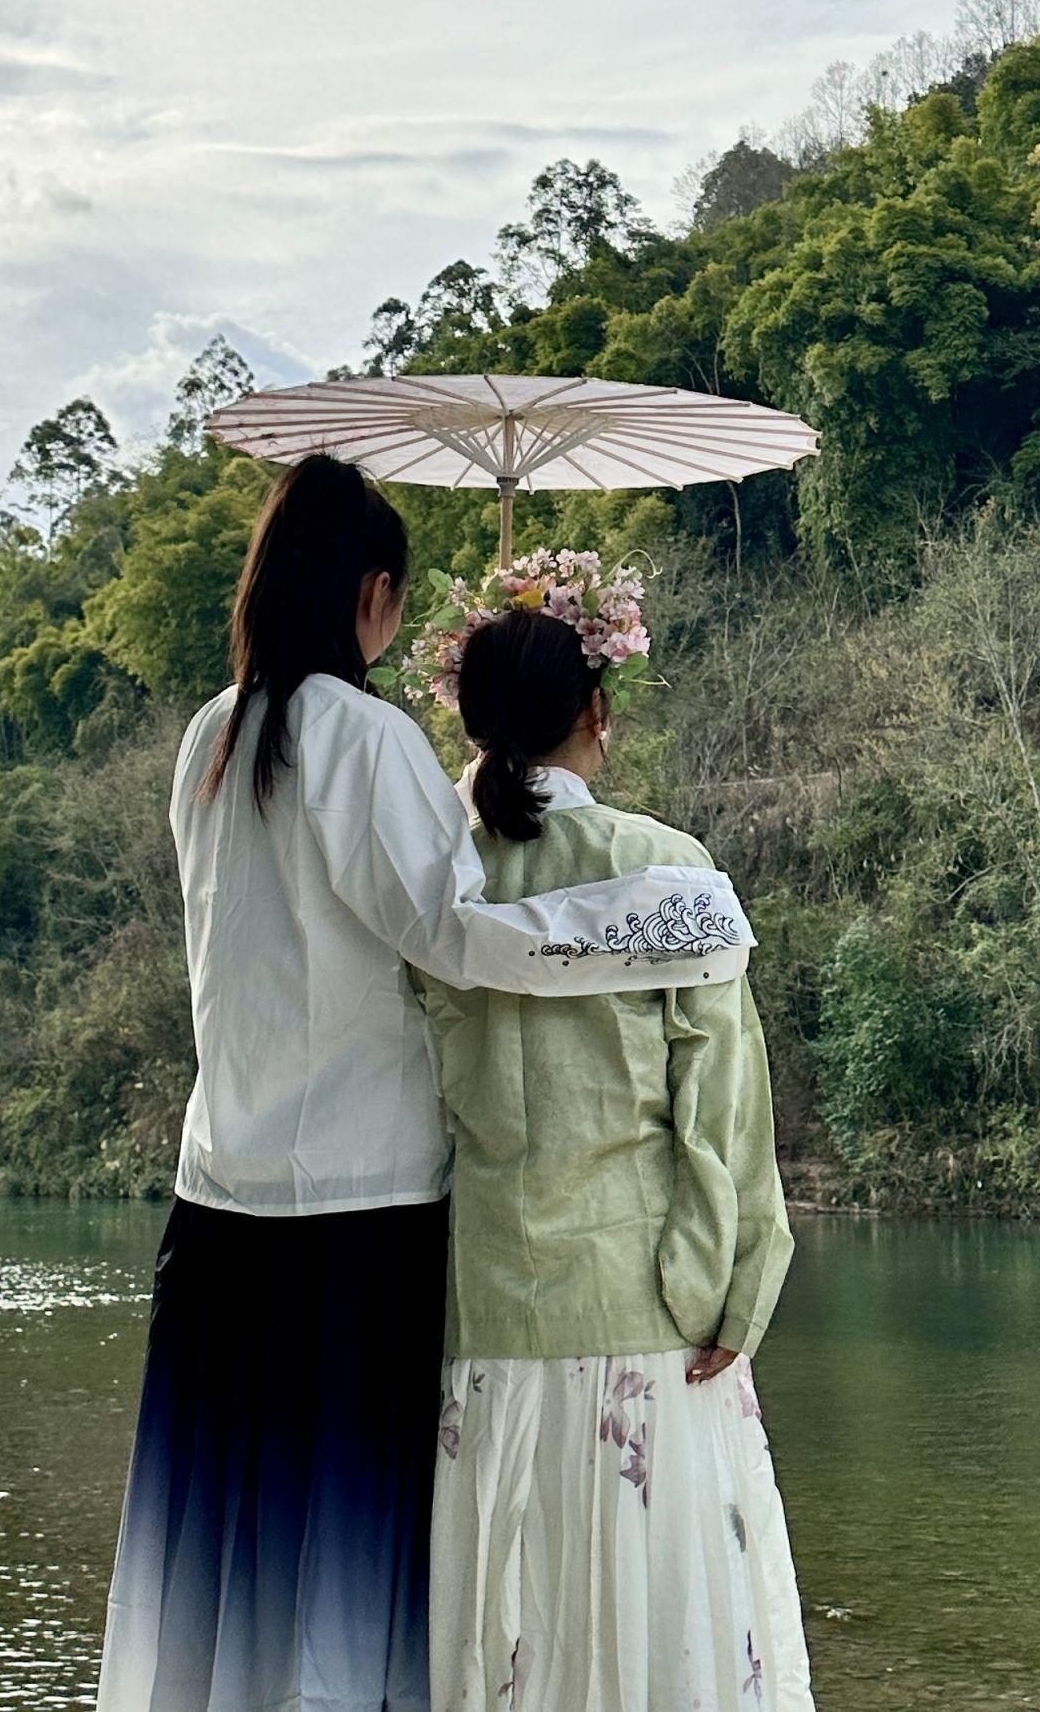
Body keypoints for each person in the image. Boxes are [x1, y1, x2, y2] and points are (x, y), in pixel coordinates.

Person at [96, 456, 756, 1712]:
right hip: (356, 1207)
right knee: (353, 1554)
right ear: (373, 595)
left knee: (224, 1542)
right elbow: (457, 934)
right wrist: (670, 926)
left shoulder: (210, 736)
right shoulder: (363, 735)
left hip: (217, 1200)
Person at [419, 600, 813, 1712]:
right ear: (594, 711)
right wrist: (739, 1288)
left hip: (484, 1311)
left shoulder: (434, 882)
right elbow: (725, 1113)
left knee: (511, 1630)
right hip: (646, 1311)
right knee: (655, 1639)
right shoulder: (664, 868)